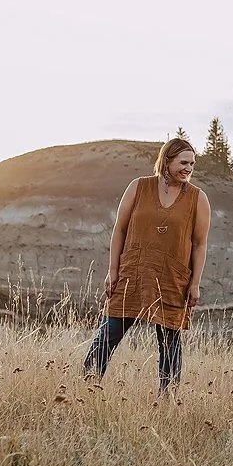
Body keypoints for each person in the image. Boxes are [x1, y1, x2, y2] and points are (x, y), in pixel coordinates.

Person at [82, 137, 212, 395]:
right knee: (110, 333)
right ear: (167, 160)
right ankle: (85, 387)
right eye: (183, 162)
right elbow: (119, 230)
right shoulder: (138, 187)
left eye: (192, 164)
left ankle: (167, 398)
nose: (188, 168)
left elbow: (199, 245)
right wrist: (113, 270)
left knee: (170, 342)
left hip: (173, 279)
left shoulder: (198, 198)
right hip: (133, 272)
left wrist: (195, 283)